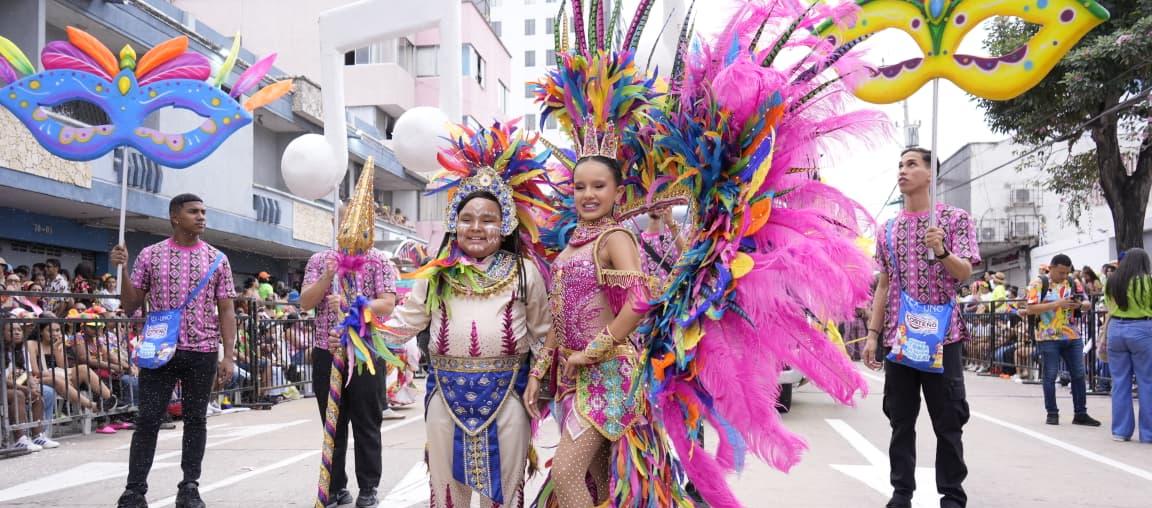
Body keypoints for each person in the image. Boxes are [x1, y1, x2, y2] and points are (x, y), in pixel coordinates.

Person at [369, 123, 552, 507]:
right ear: (454, 223)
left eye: (488, 219)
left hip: (508, 395)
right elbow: (405, 323)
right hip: (445, 396)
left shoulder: (524, 272)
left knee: (504, 491)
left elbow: (543, 334)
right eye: (467, 219)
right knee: (446, 490)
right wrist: (359, 331)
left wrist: (538, 377)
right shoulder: (436, 273)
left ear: (504, 226)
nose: (477, 228)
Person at [863, 147, 979, 508]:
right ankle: (901, 493)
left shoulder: (955, 219)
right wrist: (872, 335)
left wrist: (943, 251)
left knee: (948, 422)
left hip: (944, 339)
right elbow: (883, 283)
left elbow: (965, 273)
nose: (903, 171)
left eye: (912, 164)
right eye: (900, 165)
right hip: (901, 340)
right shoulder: (888, 229)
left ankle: (952, 496)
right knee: (900, 420)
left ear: (931, 174)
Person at [110, 193, 237, 508]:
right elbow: (130, 305)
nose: (201, 217)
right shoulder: (150, 256)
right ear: (175, 217)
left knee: (196, 420)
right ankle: (134, 490)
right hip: (159, 350)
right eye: (194, 211)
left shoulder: (218, 259)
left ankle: (189, 487)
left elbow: (227, 310)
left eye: (203, 211)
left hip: (203, 349)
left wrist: (229, 355)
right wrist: (122, 271)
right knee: (148, 419)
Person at [300, 184, 397, 508]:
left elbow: (387, 304)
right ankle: (336, 487)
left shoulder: (379, 260)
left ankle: (368, 487)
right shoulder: (318, 260)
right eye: (344, 222)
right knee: (333, 423)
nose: (351, 228)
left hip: (365, 352)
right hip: (327, 353)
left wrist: (356, 304)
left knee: (367, 423)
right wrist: (327, 277)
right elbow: (305, 302)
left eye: (357, 222)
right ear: (335, 224)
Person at [1024, 254, 1101, 427]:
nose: (1064, 276)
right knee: (1050, 375)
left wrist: (1080, 305)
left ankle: (1080, 413)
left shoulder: (1074, 283)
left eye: (1067, 272)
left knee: (1079, 375)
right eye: (1061, 272)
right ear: (1051, 268)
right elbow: (1030, 308)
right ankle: (1052, 413)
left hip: (1072, 335)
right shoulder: (1038, 283)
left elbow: (1087, 302)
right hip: (1048, 336)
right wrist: (1057, 304)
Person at [1103, 248, 1152, 443]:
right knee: (1146, 381)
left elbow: (1109, 306)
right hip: (1142, 329)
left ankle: (1120, 431)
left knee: (1120, 381)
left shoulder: (1112, 281)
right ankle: (1148, 433)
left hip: (1116, 330)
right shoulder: (1148, 281)